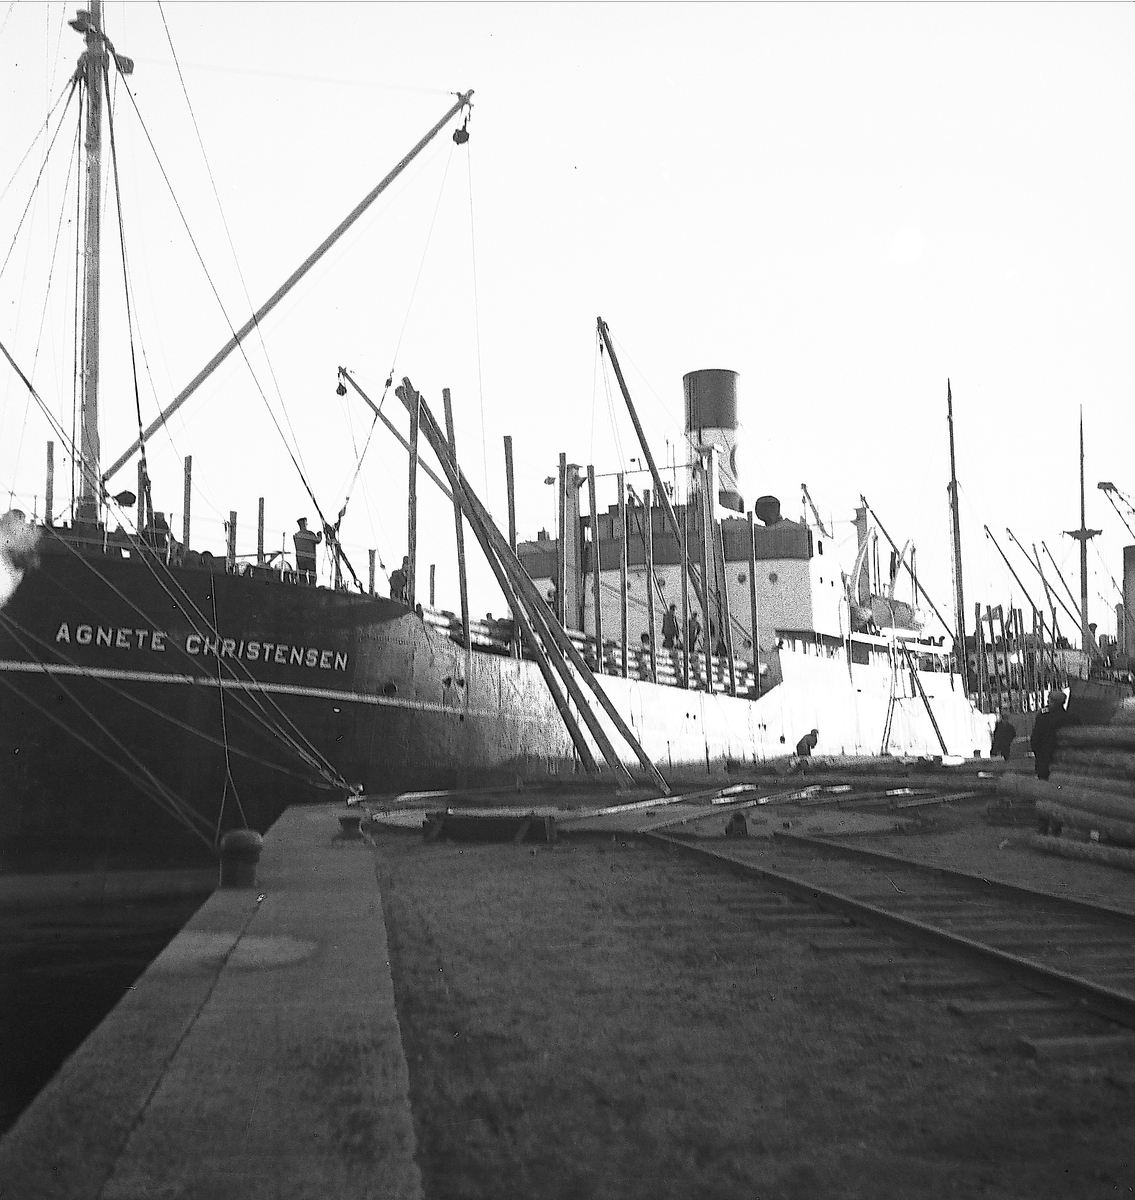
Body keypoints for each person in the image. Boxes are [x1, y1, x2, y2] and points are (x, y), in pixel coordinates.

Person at [1030, 689, 1079, 780]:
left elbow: (1036, 739)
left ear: (1051, 701)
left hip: (1046, 759)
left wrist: (1038, 754)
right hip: (1066, 760)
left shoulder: (1043, 717)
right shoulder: (1072, 718)